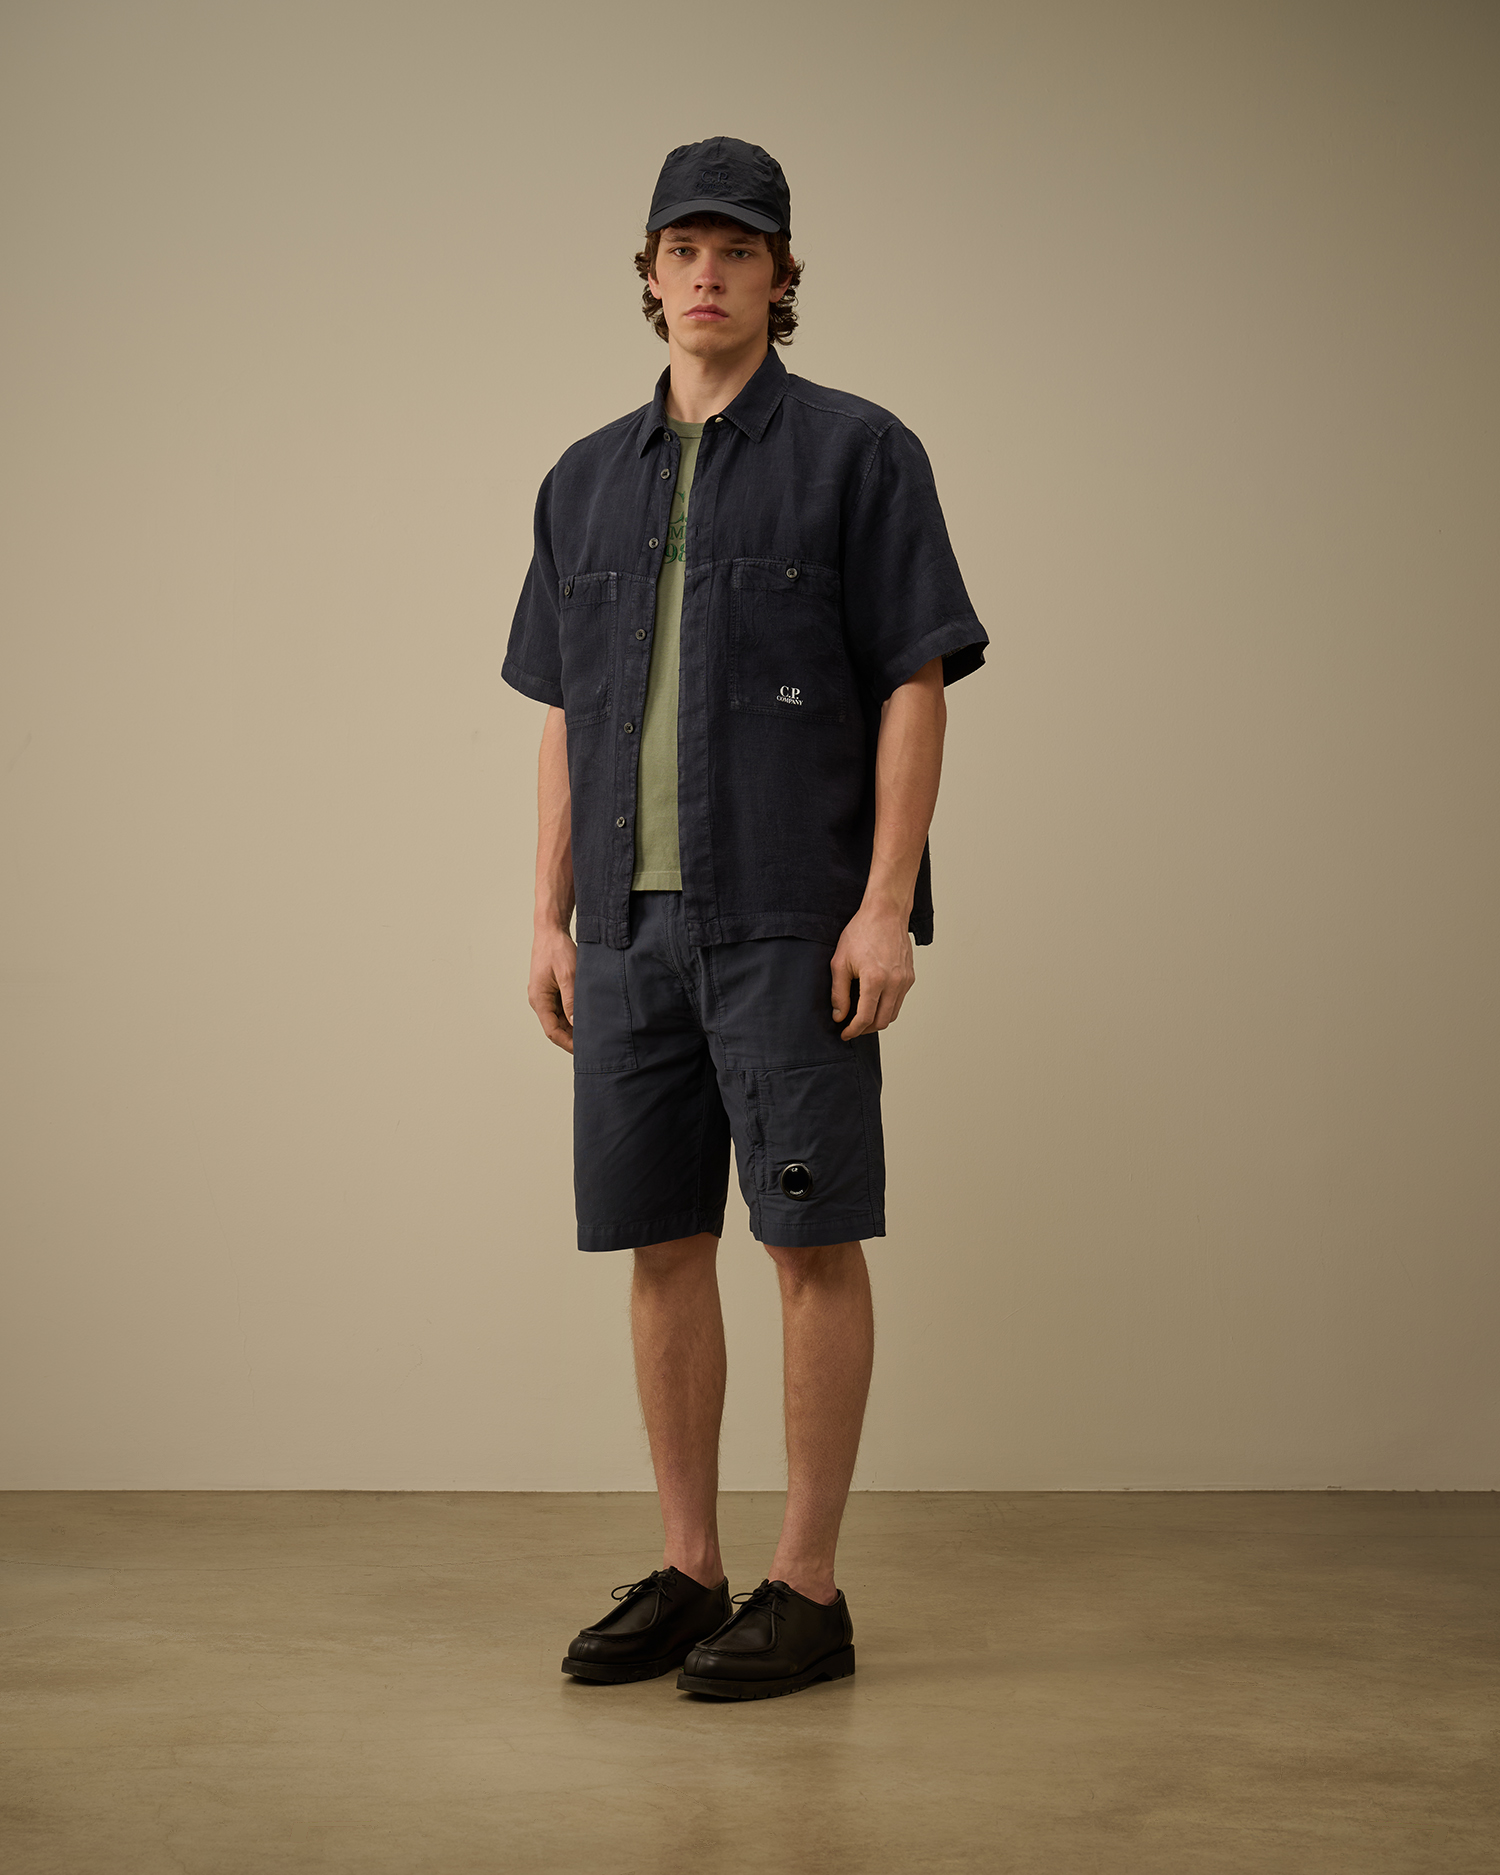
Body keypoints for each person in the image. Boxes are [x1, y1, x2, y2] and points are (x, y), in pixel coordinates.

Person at [502, 136, 986, 1701]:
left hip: (790, 916)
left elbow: (914, 681)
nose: (707, 273)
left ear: (782, 278)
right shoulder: (582, 480)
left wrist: (884, 906)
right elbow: (565, 715)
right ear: (649, 277)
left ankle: (809, 1590)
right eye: (682, 249)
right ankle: (691, 1566)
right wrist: (548, 919)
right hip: (626, 932)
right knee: (660, 1245)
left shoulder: (860, 454)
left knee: (807, 1241)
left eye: (739, 249)